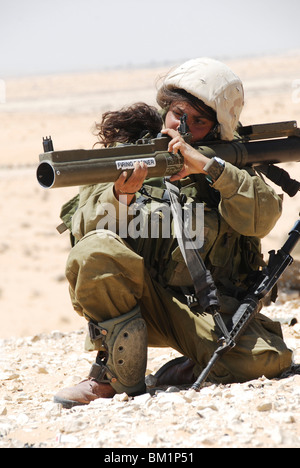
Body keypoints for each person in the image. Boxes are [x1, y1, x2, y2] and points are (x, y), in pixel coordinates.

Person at [54, 57, 292, 408]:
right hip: (140, 303)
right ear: (166, 109)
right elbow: (84, 229)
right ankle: (112, 378)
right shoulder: (129, 157)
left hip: (207, 316)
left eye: (199, 121)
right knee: (96, 251)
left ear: (216, 127)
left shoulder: (228, 169)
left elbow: (262, 216)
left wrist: (210, 168)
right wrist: (122, 195)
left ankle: (183, 368)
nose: (183, 126)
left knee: (267, 360)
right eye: (178, 113)